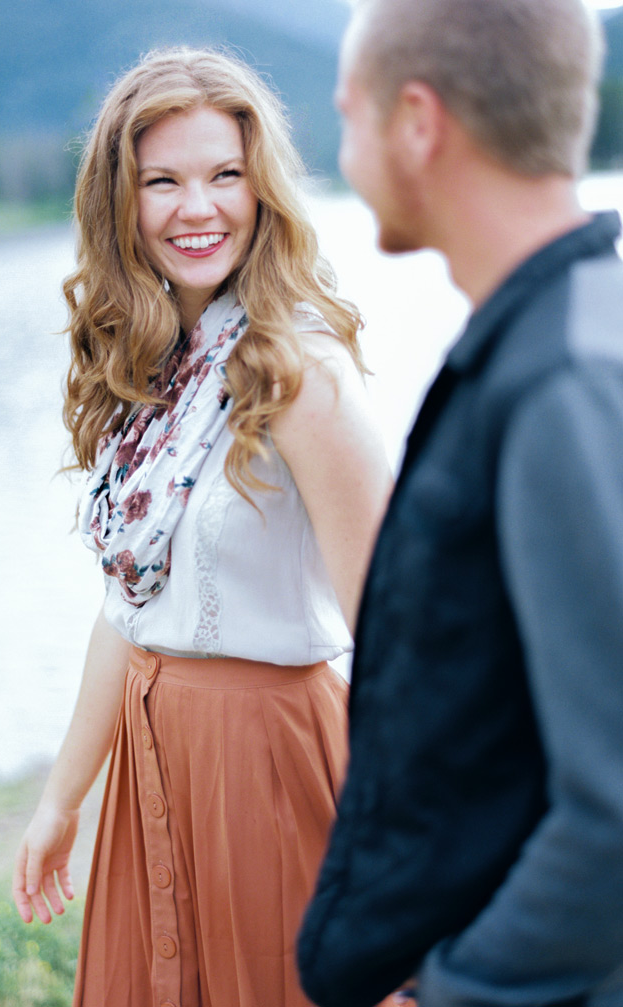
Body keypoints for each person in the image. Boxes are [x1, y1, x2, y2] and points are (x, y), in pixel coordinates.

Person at [11, 46, 392, 1007]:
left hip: (271, 769)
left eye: (226, 175)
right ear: (121, 204)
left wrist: (413, 877)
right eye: (164, 181)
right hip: (153, 769)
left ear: (262, 191)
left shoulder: (297, 374)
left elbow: (404, 635)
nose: (199, 208)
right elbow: (126, 610)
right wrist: (64, 800)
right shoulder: (148, 369)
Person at [298, 1, 623, 1005]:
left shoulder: (562, 377)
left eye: (349, 114)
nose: (342, 147)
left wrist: (462, 987)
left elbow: (613, 801)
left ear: (419, 124)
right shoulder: (556, 334)